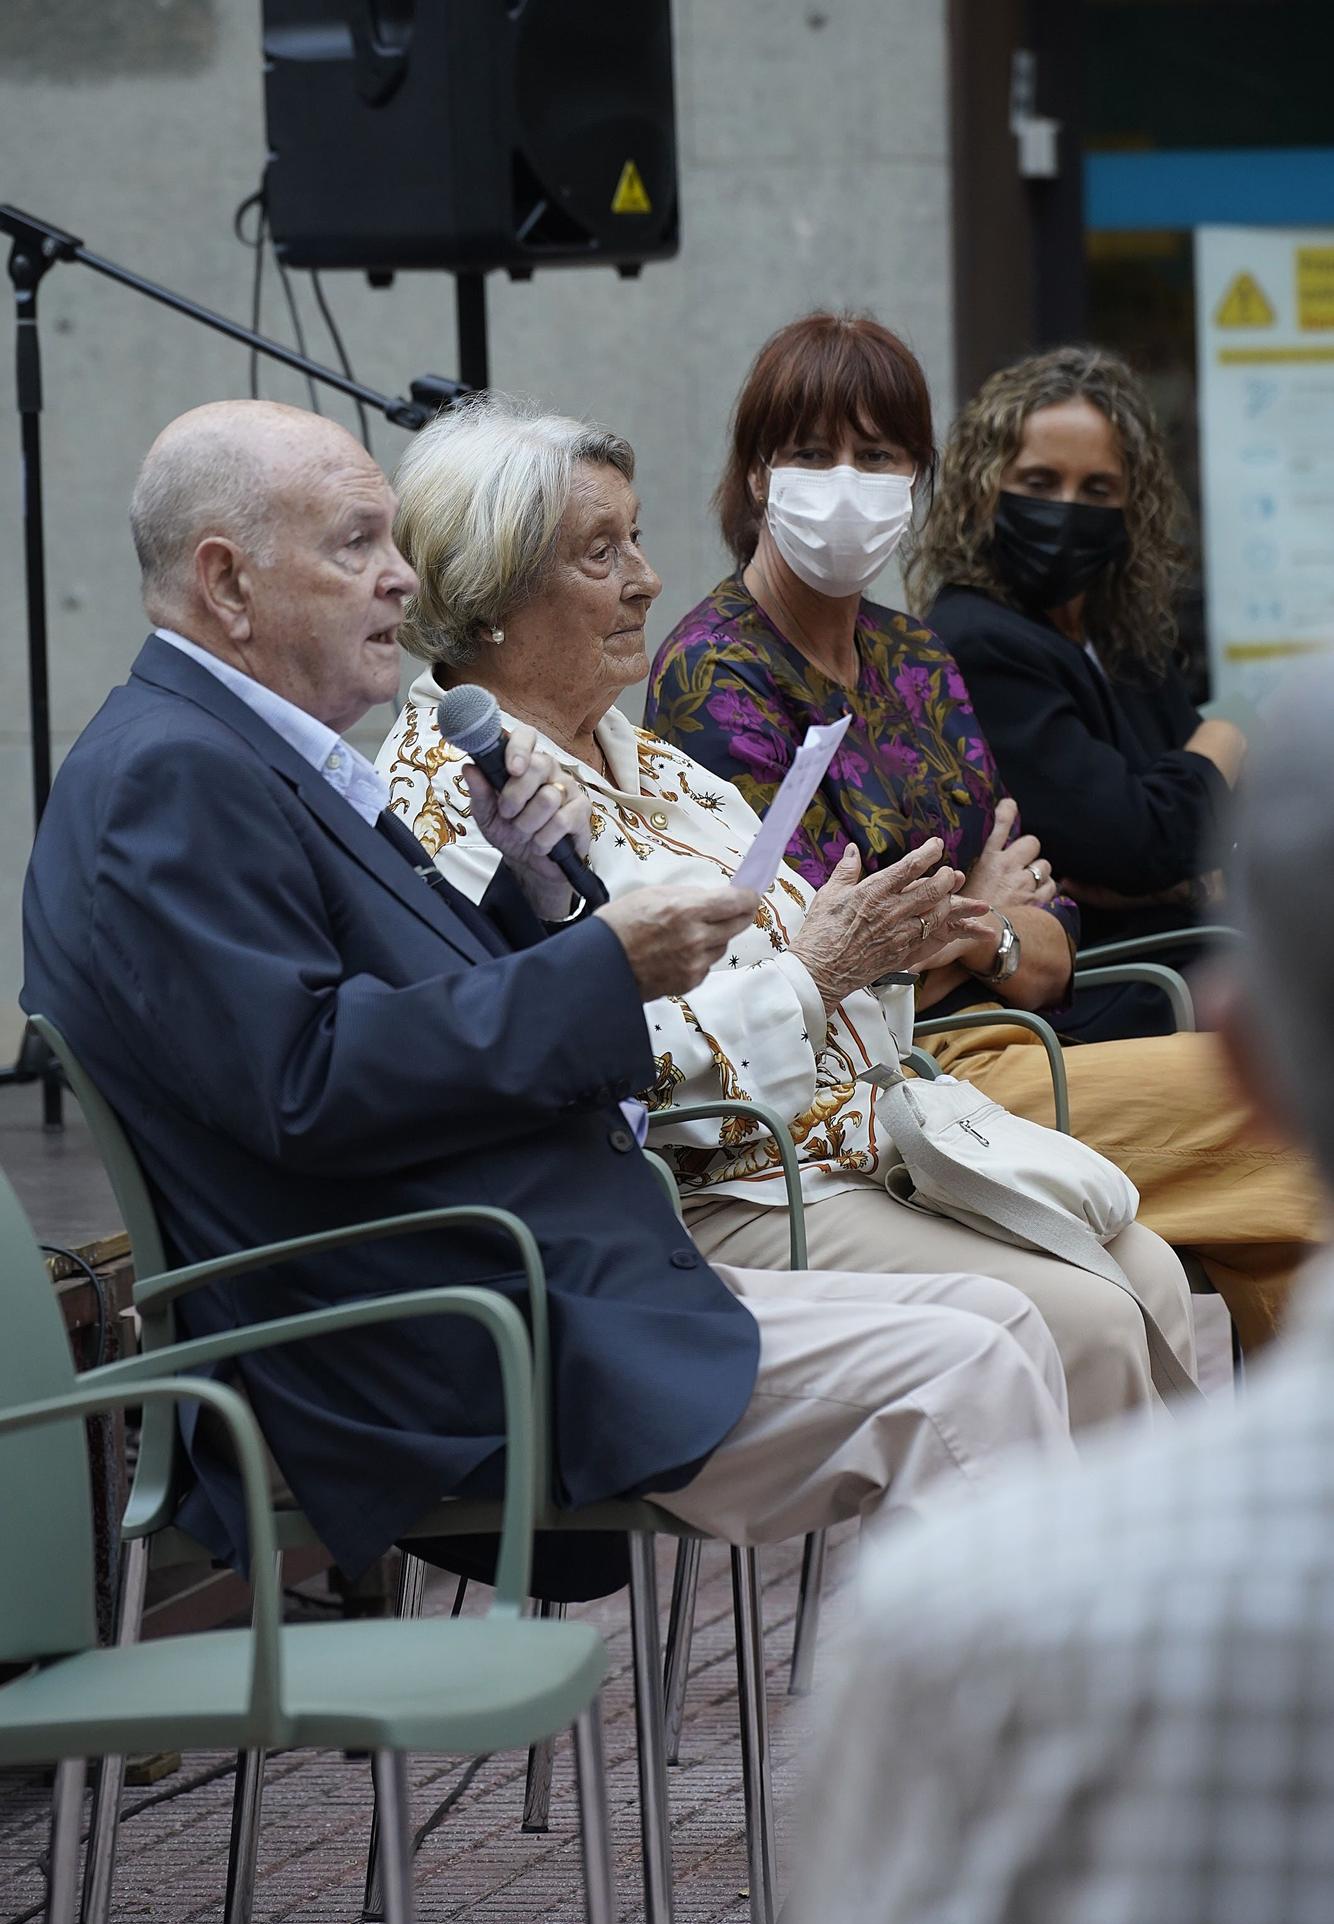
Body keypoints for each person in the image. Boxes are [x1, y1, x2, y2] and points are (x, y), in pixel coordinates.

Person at [20, 399, 1075, 1596]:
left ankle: (1000, 1762)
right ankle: (1018, 1781)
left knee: (1010, 1328)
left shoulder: (245, 751)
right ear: (227, 582)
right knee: (971, 1372)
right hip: (436, 1335)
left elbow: (399, 1016)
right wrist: (601, 963)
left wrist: (534, 902)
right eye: (356, 542)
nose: (402, 579)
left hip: (541, 1272)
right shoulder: (174, 773)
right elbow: (306, 1082)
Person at [378, 393, 1199, 1431]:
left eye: (634, 536)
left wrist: (897, 939)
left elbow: (827, 967)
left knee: (1148, 1269)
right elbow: (563, 1048)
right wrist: (823, 969)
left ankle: (1142, 1583)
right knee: (1077, 1316)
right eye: (602, 552)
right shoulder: (455, 790)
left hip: (850, 1132)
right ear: (492, 590)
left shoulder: (648, 760)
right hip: (701, 1188)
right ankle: (1069, 1589)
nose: (647, 575)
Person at [789, 679, 1334, 1924]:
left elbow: (1054, 932)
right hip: (850, 1118)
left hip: (928, 1073)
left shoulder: (958, 1627)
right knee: (1104, 1280)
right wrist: (975, 937)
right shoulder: (719, 694)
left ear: (1249, 1065)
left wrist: (963, 940)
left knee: (1128, 1268)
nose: (633, 574)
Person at [644, 309, 1323, 1352]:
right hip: (874, 1098)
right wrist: (977, 918)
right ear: (752, 478)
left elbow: (1045, 931)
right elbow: (808, 955)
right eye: (810, 451)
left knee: (1275, 1213)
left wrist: (985, 933)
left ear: (915, 476)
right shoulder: (712, 670)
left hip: (1003, 1040)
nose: (844, 480)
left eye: (875, 454)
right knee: (1274, 1115)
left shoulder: (911, 655)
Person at [913, 344, 1245, 1042]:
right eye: (1039, 480)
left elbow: (1220, 833)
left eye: (1097, 489)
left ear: (1133, 503)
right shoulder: (975, 639)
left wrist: (1189, 853)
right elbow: (1141, 843)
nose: (1067, 510)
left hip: (1202, 965)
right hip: (1113, 997)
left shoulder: (1121, 635)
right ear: (984, 489)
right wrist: (1227, 738)